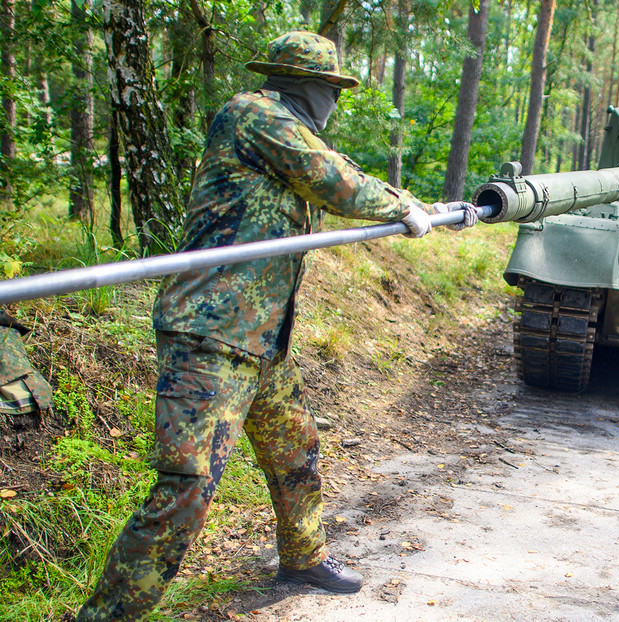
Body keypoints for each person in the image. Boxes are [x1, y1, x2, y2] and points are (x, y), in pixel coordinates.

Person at [78, 31, 476, 621]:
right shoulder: (255, 115)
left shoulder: (289, 131)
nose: (334, 100)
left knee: (296, 446)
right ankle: (106, 616)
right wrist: (401, 207)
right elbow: (333, 180)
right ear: (306, 86)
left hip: (262, 336)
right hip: (211, 333)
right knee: (187, 487)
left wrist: (425, 209)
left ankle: (302, 558)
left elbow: (338, 171)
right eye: (331, 88)